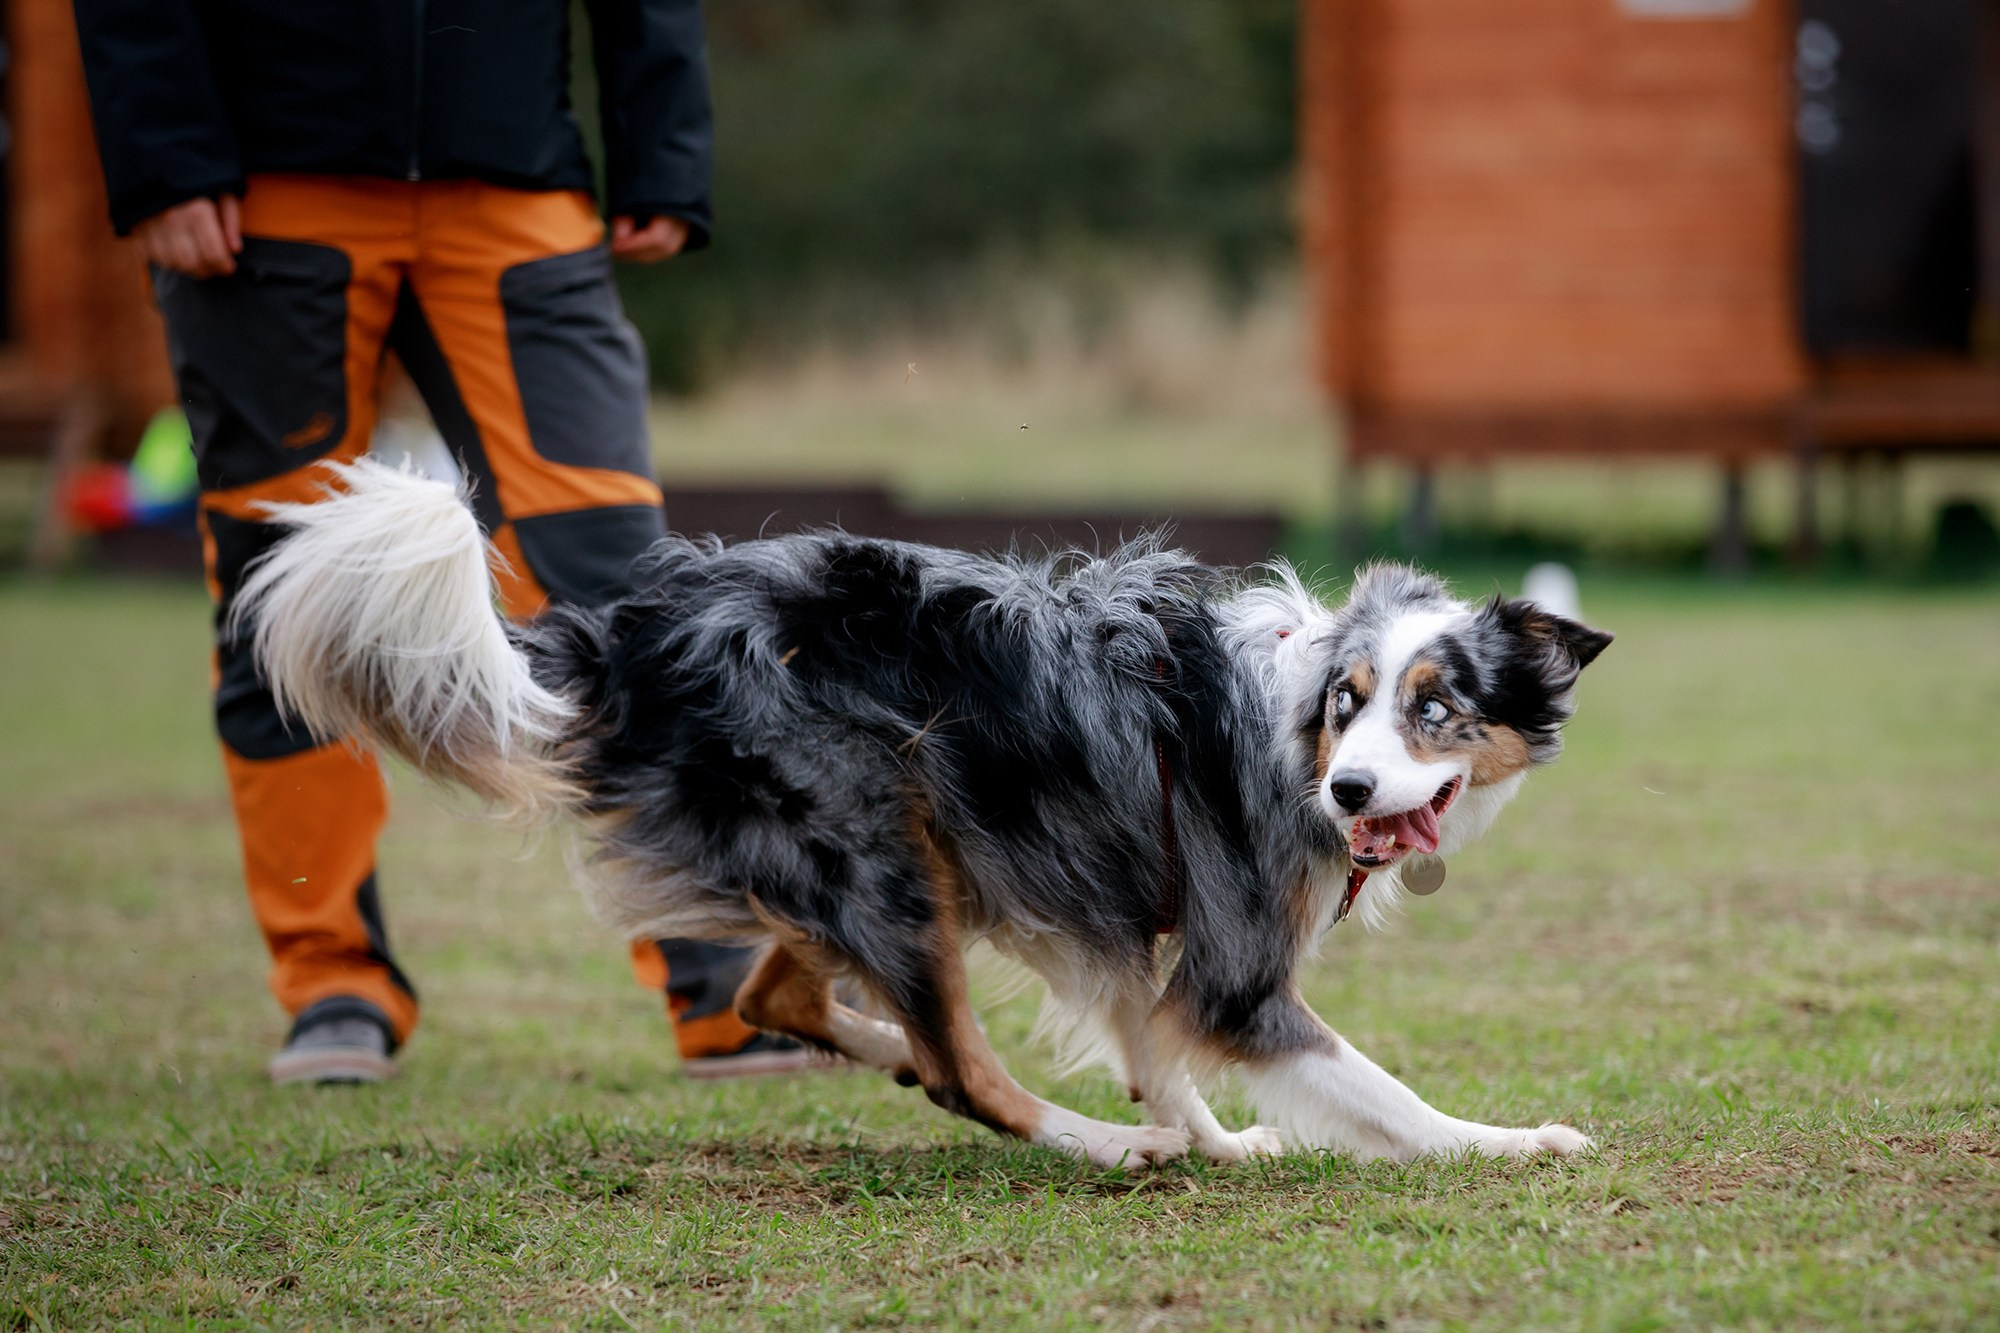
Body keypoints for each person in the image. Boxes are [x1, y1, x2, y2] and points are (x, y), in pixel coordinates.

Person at [74, 0, 802, 1083]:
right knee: (281, 597)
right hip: (271, 195)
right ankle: (331, 984)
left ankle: (726, 989)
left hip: (515, 188)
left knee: (630, 585)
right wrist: (164, 156)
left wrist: (662, 148)